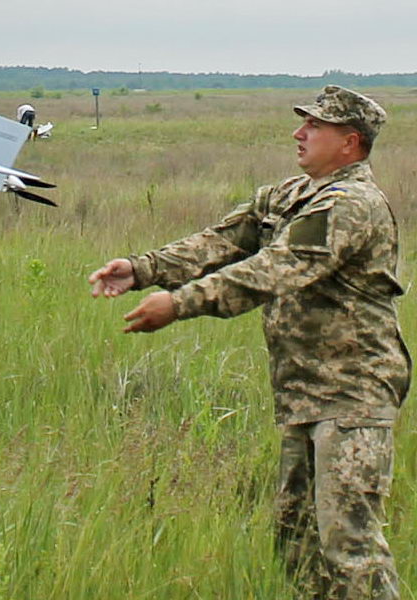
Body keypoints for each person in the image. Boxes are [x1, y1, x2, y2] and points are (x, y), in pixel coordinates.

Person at [89, 85, 410, 599]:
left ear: (350, 142)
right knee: (298, 543)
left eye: (315, 126)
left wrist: (179, 304)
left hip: (353, 396)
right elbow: (220, 240)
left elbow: (274, 270)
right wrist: (143, 268)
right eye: (303, 123)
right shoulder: (288, 196)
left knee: (350, 550)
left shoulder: (352, 205)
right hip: (305, 396)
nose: (299, 133)